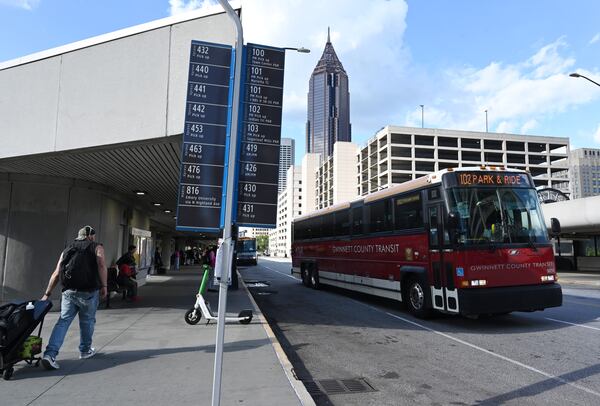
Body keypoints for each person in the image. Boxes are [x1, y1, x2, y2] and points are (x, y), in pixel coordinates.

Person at [40, 225, 107, 370]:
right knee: (87, 321)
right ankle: (84, 350)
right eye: (93, 235)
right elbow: (101, 265)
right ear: (90, 236)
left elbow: (57, 273)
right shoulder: (97, 247)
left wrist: (47, 294)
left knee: (63, 322)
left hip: (69, 292)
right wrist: (104, 286)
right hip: (89, 292)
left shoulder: (68, 249)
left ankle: (50, 354)